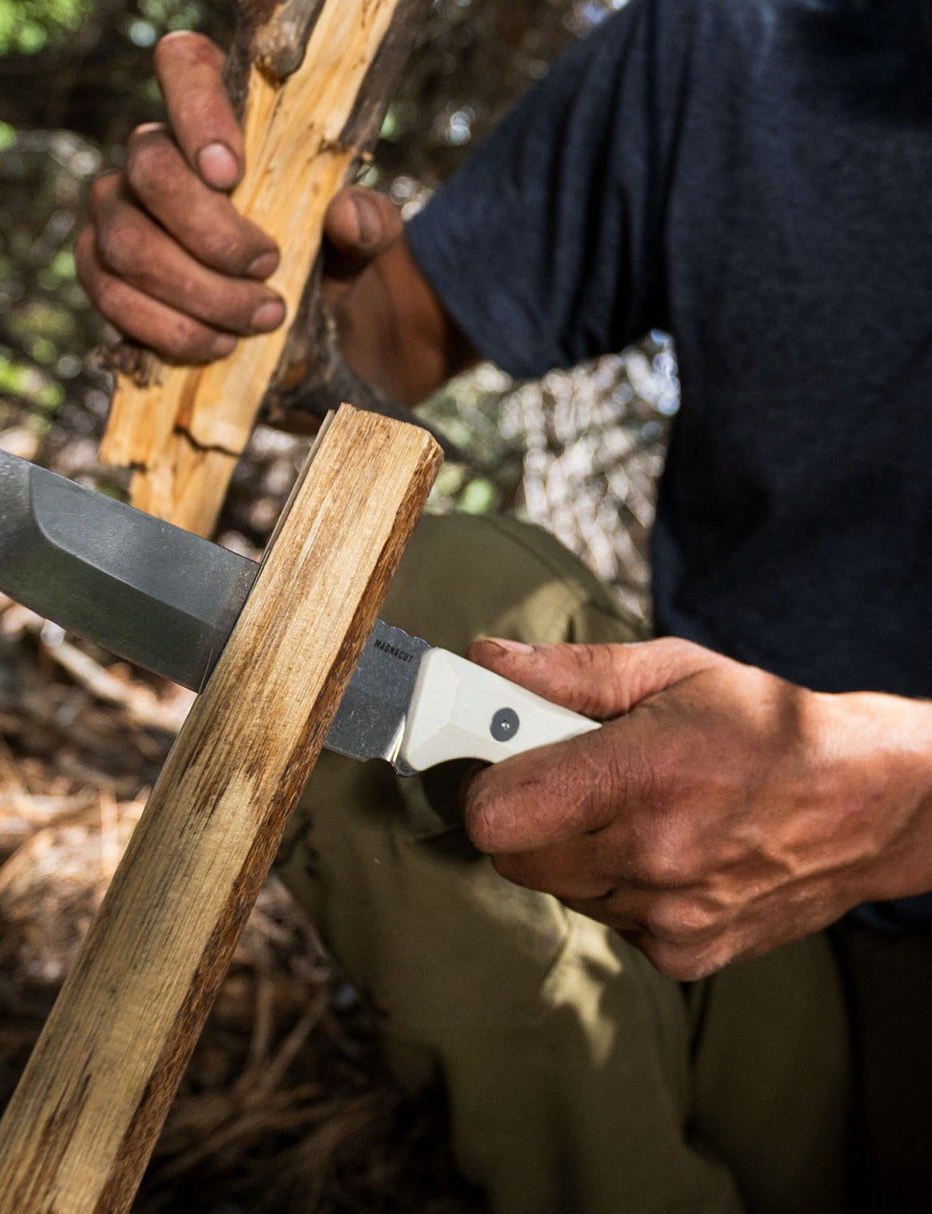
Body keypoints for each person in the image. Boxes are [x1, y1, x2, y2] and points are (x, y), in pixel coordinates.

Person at [75, 2, 932, 1209]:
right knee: (420, 604)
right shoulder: (734, 46)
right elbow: (396, 328)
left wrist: (903, 801)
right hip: (736, 930)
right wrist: (239, 281)